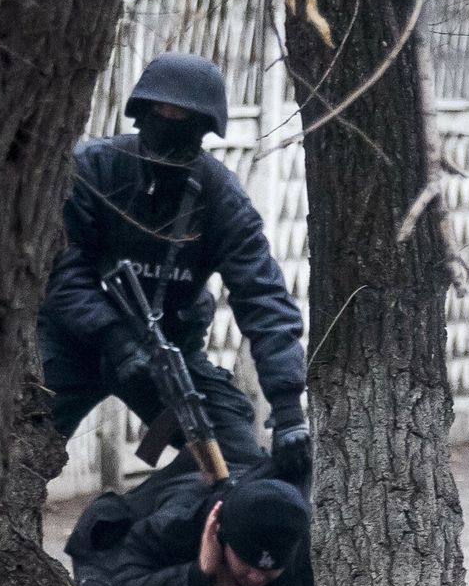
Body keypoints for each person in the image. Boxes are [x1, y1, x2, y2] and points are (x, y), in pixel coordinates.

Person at [38, 51, 310, 478]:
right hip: (75, 347)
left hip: (167, 354)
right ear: (142, 114)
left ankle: (158, 529)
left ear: (206, 129)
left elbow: (262, 296)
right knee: (15, 454)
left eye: (186, 118)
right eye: (162, 112)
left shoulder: (219, 196)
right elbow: (60, 271)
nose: (171, 124)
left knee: (240, 468)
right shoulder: (93, 170)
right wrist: (112, 336)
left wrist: (289, 408)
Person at [64, 457, 313, 586]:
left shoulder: (302, 545)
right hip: (112, 545)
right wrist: (198, 575)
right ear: (220, 535)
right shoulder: (176, 522)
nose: (257, 577)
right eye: (247, 564)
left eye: (269, 570)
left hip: (198, 580)